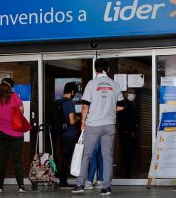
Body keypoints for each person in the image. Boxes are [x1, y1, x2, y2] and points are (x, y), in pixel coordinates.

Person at [72, 59, 124, 196]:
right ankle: (106, 187)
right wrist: (110, 110)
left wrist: (83, 121)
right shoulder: (114, 84)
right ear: (107, 69)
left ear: (96, 70)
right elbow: (121, 106)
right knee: (107, 156)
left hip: (93, 125)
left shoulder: (91, 83)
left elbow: (85, 106)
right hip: (109, 125)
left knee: (86, 155)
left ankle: (80, 185)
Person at [0, 78, 27, 193]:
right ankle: (21, 187)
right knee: (17, 161)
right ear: (10, 88)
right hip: (16, 133)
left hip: (0, 133)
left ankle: (0, 187)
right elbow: (21, 111)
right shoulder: (14, 96)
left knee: (1, 161)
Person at [58, 82, 79, 187]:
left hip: (61, 134)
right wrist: (78, 118)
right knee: (67, 158)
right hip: (70, 134)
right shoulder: (69, 103)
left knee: (63, 157)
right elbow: (71, 121)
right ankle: (63, 181)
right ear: (72, 92)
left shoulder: (59, 102)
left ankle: (62, 180)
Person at [118, 88, 139, 178]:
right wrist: (129, 131)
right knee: (127, 153)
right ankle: (125, 173)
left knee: (129, 154)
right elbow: (123, 119)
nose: (132, 94)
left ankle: (127, 173)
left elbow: (134, 119)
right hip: (126, 133)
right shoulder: (125, 104)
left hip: (130, 133)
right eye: (130, 92)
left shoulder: (132, 104)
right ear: (126, 93)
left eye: (134, 93)